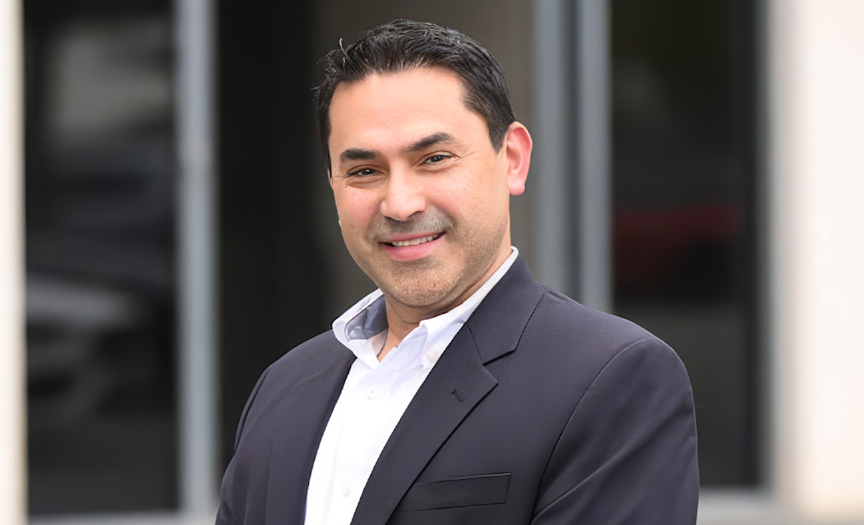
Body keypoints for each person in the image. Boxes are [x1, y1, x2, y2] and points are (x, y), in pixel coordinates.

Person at [216, 19, 698, 525]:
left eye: (434, 158)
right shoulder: (283, 388)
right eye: (364, 171)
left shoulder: (611, 379)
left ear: (512, 159)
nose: (400, 203)